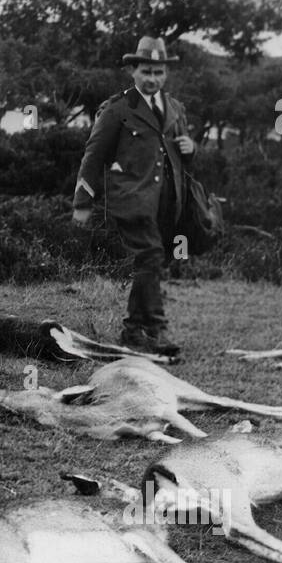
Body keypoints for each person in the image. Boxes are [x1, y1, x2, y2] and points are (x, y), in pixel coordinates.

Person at [72, 36, 195, 357]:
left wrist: (190, 148)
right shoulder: (118, 109)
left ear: (165, 73)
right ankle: (156, 329)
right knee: (151, 257)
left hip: (166, 201)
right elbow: (93, 157)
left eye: (158, 72)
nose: (152, 79)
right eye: (146, 72)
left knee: (150, 262)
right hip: (130, 199)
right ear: (133, 72)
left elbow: (180, 153)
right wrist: (83, 203)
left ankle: (131, 329)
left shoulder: (175, 109)